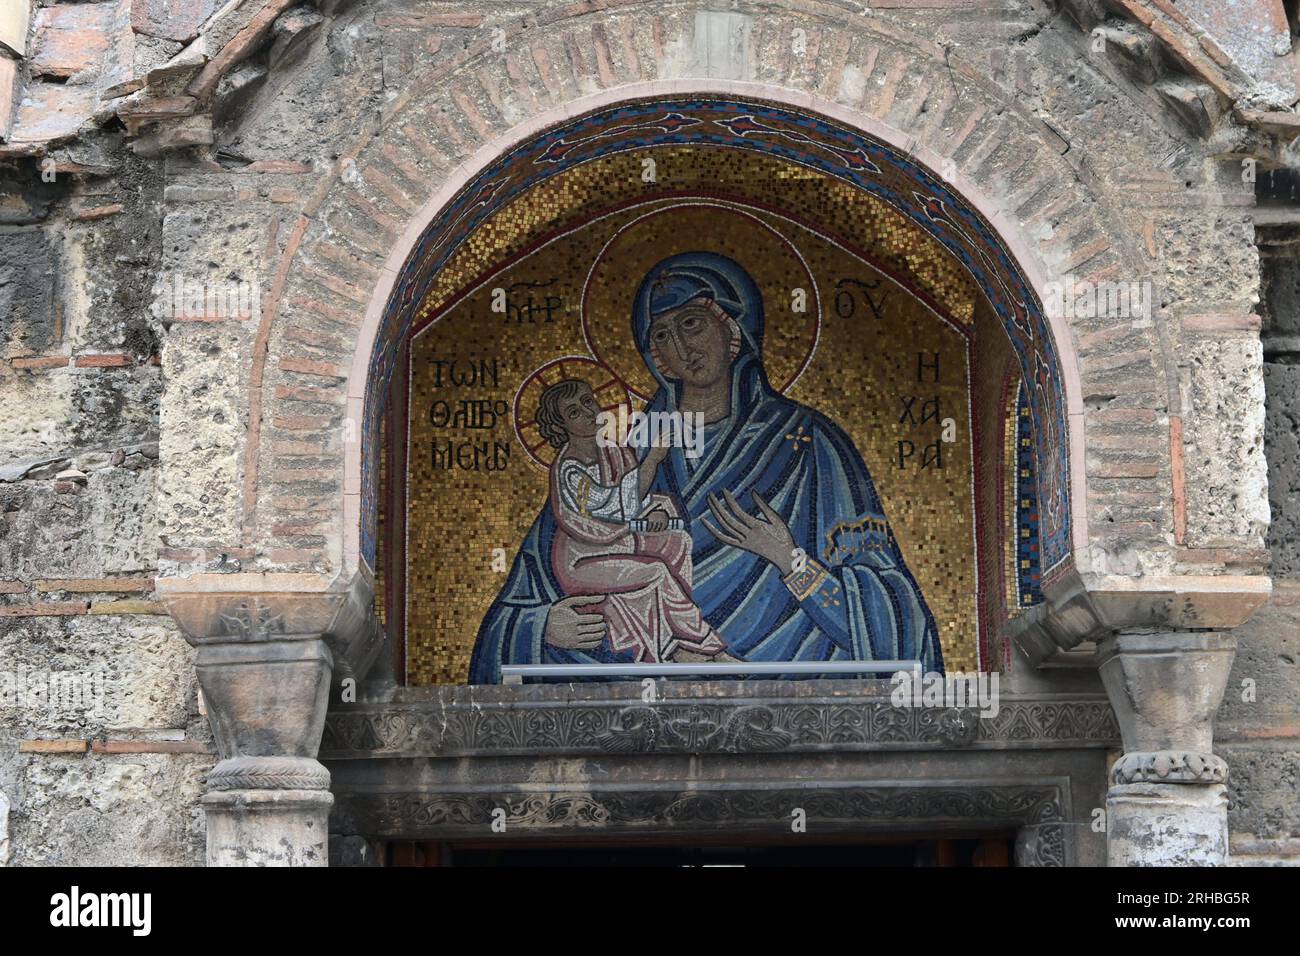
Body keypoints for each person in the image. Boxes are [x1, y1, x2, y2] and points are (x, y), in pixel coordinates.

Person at [470, 252, 943, 682]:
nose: (680, 348)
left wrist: (790, 559)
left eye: (692, 324)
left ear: (732, 326)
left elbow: (897, 623)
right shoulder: (622, 454)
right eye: (662, 336)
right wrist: (543, 627)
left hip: (789, 706)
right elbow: (538, 582)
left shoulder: (810, 443)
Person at [536, 377, 730, 664]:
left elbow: (634, 500)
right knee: (656, 572)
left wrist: (656, 511)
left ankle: (677, 642)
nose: (588, 412)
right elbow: (610, 506)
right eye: (574, 412)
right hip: (584, 561)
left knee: (677, 541)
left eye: (588, 401)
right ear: (560, 426)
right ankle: (703, 647)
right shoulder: (569, 471)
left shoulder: (612, 451)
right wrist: (651, 461)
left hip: (618, 544)